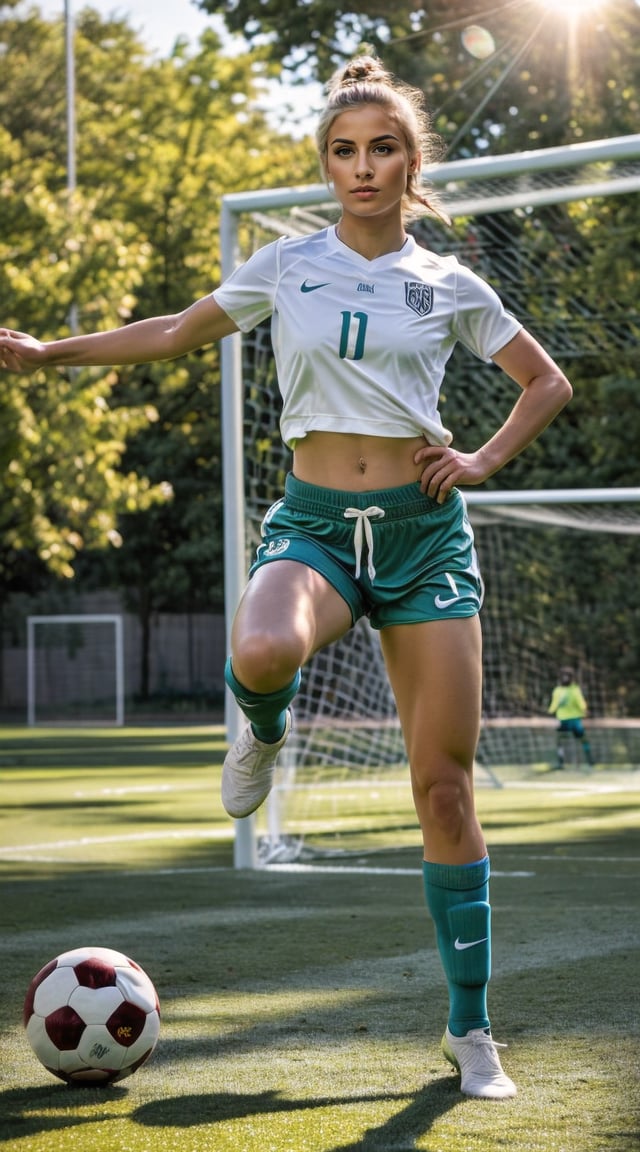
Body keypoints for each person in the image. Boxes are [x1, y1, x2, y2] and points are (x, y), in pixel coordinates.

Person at [0, 54, 572, 1099]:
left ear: (410, 162)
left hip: (424, 539)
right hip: (312, 525)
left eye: (382, 148)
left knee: (442, 791)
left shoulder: (450, 283)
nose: (363, 166)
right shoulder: (285, 265)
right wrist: (49, 354)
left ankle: (470, 1033)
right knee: (261, 649)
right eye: (344, 151)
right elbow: (172, 332)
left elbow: (545, 381)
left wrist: (482, 459)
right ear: (326, 165)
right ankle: (261, 733)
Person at [548, 667, 594, 769]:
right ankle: (590, 761)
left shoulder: (558, 691)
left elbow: (553, 707)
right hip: (574, 721)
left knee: (560, 741)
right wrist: (585, 711)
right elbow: (581, 703)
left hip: (564, 721)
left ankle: (561, 763)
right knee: (583, 740)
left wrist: (548, 712)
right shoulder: (574, 689)